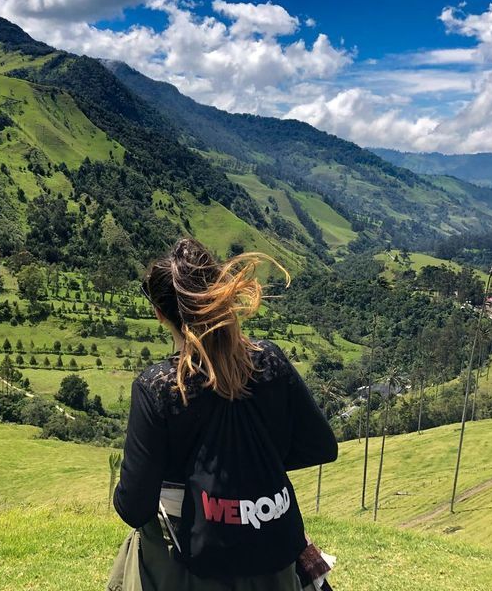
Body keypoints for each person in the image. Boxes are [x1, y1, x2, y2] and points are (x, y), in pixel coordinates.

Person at [108, 238, 338, 591]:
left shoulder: (159, 387)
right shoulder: (269, 361)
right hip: (270, 558)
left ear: (159, 313)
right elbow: (322, 446)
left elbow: (134, 509)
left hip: (187, 564)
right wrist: (249, 471)